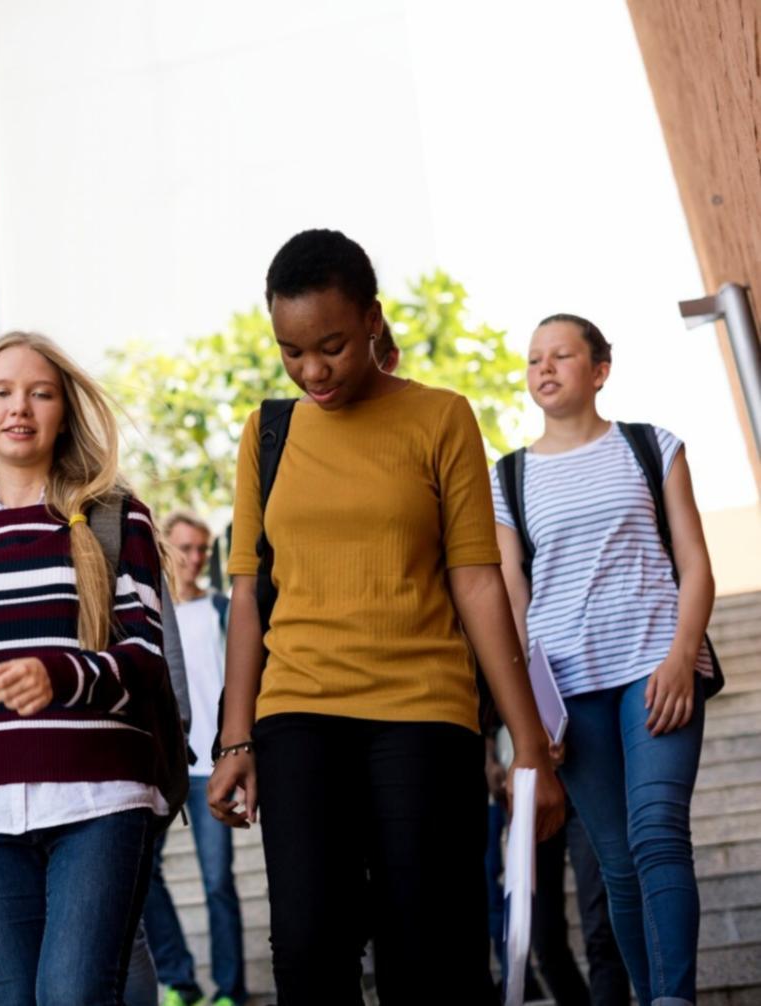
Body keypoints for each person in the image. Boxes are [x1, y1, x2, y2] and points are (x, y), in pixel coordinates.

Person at [207, 229, 565, 1004]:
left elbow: (477, 583)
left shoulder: (440, 418)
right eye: (290, 351)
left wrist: (528, 745)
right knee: (305, 951)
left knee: (426, 953)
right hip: (296, 710)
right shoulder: (266, 433)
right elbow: (246, 597)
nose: (312, 370)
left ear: (372, 319)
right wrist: (235, 736)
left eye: (330, 345)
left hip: (421, 713)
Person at [0, 331, 170, 1005]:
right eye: (2, 393)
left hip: (97, 803)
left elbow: (145, 659)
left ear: (63, 412)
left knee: (71, 996)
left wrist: (60, 675)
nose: (19, 407)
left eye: (39, 394)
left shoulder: (112, 517)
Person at [492, 314, 714, 1006]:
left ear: (598, 370)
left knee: (655, 831)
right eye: (533, 360)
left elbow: (695, 562)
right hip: (568, 690)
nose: (544, 369)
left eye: (561, 355)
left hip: (655, 668)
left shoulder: (652, 446)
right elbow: (509, 600)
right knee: (617, 866)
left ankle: (673, 999)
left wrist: (682, 655)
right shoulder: (508, 476)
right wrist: (527, 714)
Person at [140, 512, 247, 1006]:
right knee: (143, 876)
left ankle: (231, 989)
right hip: (162, 765)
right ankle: (179, 979)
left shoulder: (222, 610)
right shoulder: (147, 613)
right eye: (185, 547)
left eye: (202, 549)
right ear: (166, 548)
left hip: (213, 765)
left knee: (218, 880)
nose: (195, 558)